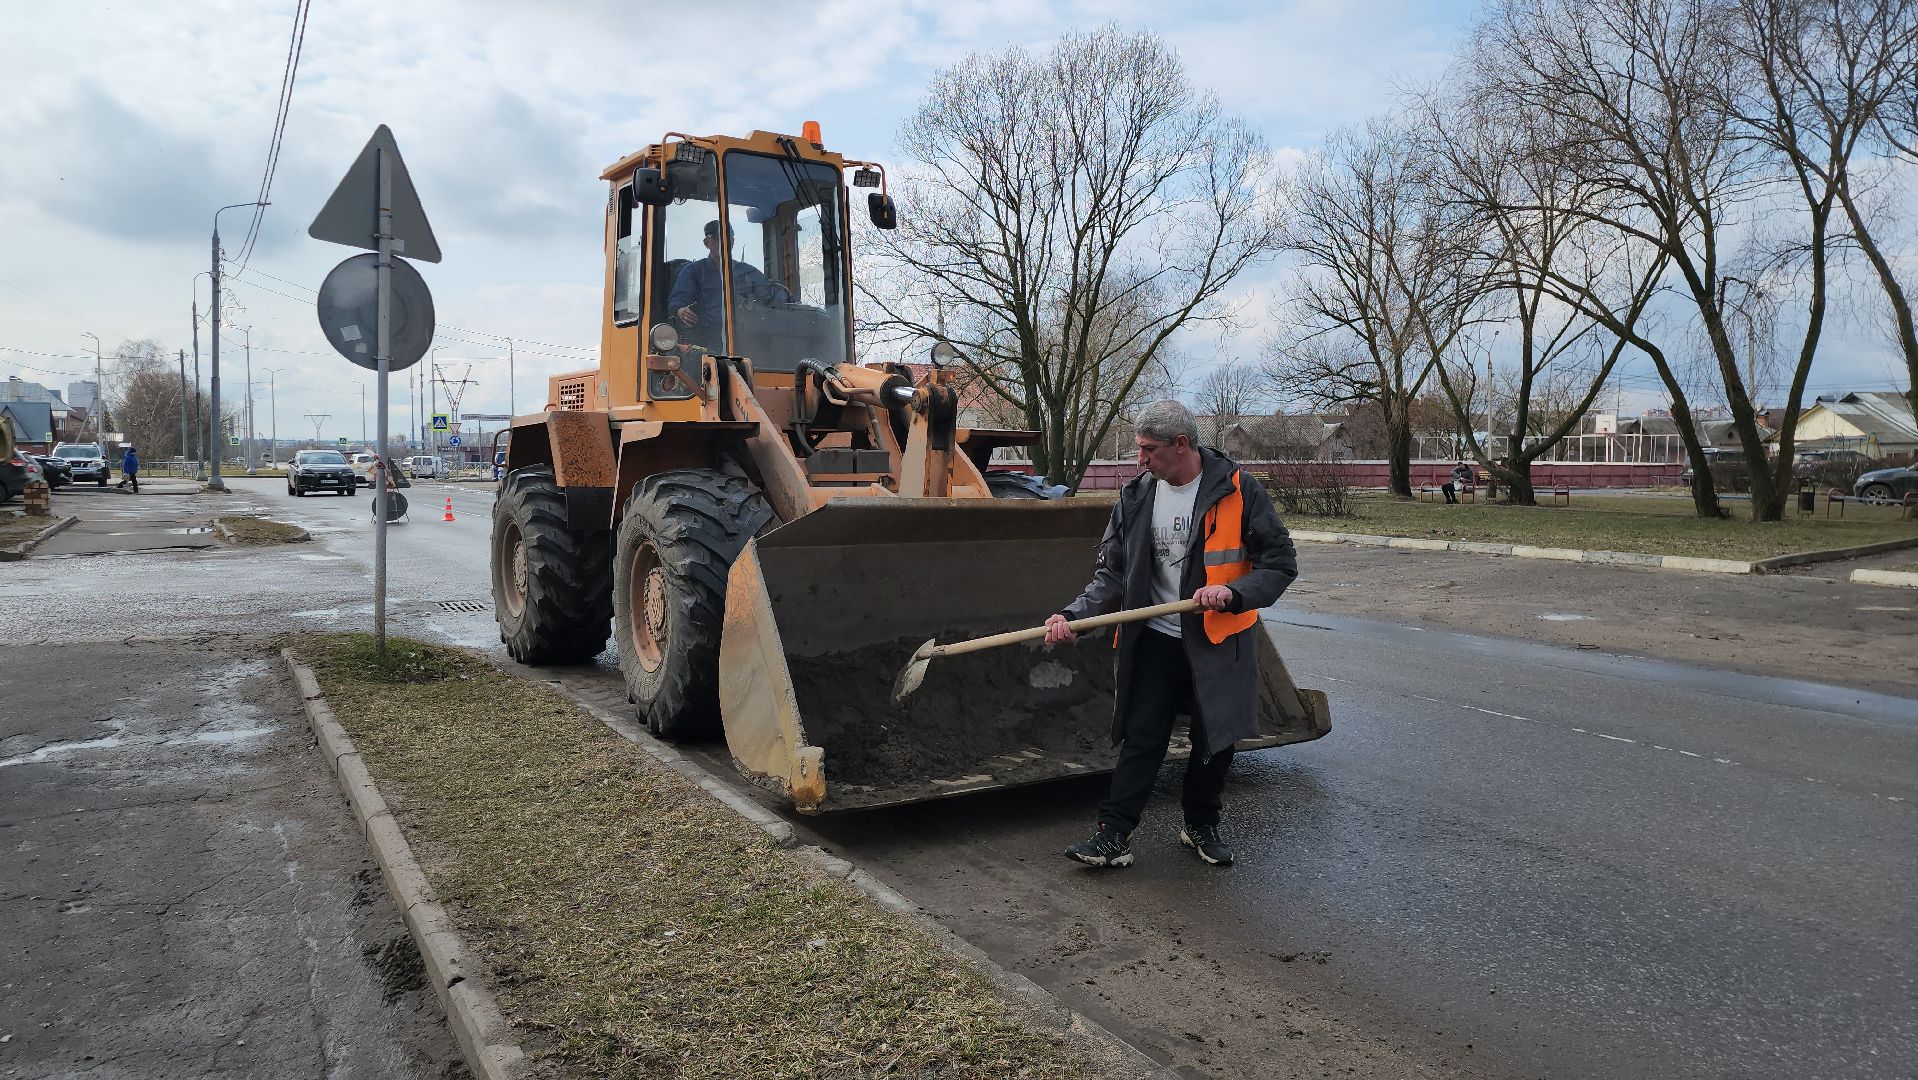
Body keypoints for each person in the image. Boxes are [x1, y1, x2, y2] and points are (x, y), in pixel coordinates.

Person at [1045, 400, 1298, 869]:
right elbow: (1112, 573)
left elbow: (1280, 566)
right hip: (1157, 638)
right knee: (1143, 737)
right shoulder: (1137, 494)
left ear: (1181, 444)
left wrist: (1234, 592)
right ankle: (1113, 835)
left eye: (1148, 450)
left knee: (1213, 740)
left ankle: (1200, 825)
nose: (1140, 460)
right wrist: (1074, 615)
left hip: (1218, 640)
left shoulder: (1238, 490)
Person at [666, 220, 791, 350]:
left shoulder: (747, 272)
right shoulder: (693, 271)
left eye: (728, 237)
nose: (724, 242)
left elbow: (771, 292)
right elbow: (677, 301)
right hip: (704, 342)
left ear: (733, 240)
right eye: (717, 238)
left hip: (744, 339)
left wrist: (789, 303)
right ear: (706, 243)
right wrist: (680, 310)